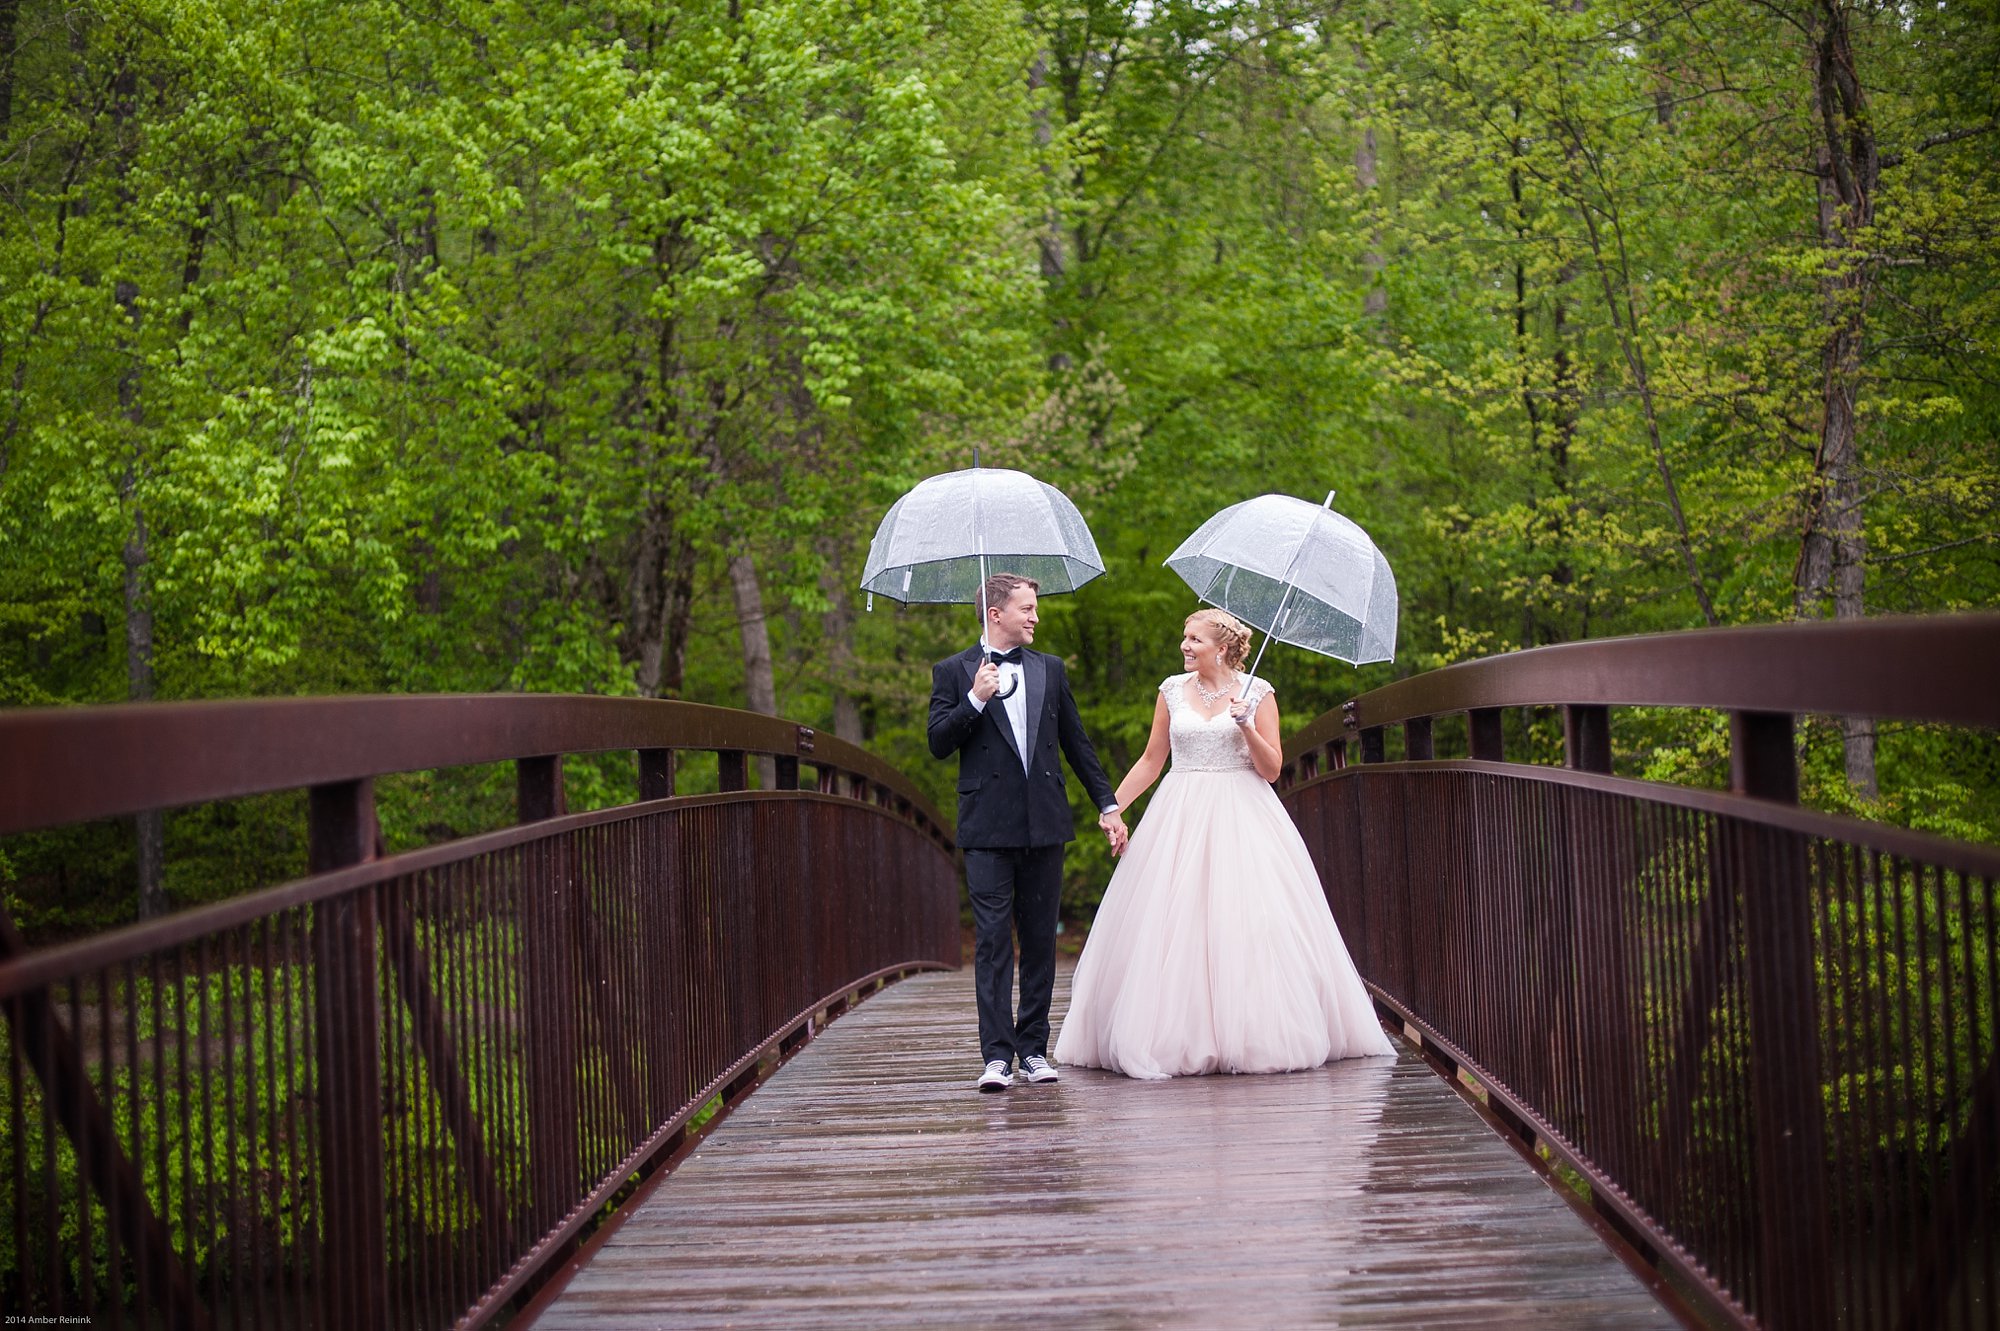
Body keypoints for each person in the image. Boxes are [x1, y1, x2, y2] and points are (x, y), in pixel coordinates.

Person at [1054, 608, 1393, 1079]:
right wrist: (1113, 808)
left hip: (1243, 812)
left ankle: (1252, 1031)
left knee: (1245, 920)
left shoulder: (1259, 692)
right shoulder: (1172, 690)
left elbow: (1272, 770)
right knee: (1173, 920)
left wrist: (1247, 726)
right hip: (1180, 810)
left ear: (1222, 647)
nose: (1185, 646)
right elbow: (1153, 761)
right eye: (1184, 638)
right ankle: (1174, 1033)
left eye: (1193, 639)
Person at [928, 572, 1127, 1092]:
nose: (1036, 616)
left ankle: (1033, 1049)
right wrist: (973, 699)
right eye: (1027, 608)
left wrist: (1107, 805)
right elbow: (938, 743)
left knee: (1039, 939)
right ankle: (996, 1057)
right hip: (986, 828)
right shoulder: (953, 672)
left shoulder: (1050, 670)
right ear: (996, 614)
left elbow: (1077, 745)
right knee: (993, 942)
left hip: (1045, 824)